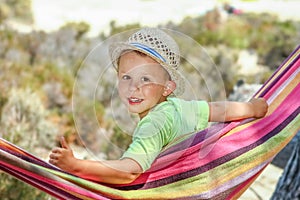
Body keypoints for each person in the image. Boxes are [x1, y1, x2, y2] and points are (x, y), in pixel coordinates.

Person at [49, 27, 268, 184]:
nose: (134, 87)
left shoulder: (153, 124)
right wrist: (251, 109)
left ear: (167, 87)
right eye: (126, 77)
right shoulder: (182, 108)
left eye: (145, 79)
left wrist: (77, 166)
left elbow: (129, 172)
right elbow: (220, 109)